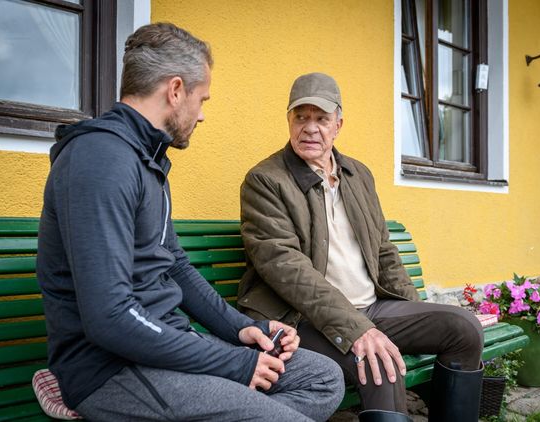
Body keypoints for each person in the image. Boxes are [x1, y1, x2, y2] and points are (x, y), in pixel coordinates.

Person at [36, 24, 344, 422]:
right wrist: (234, 364)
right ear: (176, 90)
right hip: (112, 368)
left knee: (323, 378)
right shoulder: (100, 161)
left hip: (166, 346)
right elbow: (110, 318)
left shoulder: (146, 159)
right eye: (201, 100)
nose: (201, 115)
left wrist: (239, 329)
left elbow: (175, 265)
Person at [238, 72, 485, 422]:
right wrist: (357, 330)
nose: (310, 128)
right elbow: (286, 268)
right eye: (301, 117)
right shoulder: (265, 180)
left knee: (464, 328)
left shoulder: (358, 174)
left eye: (321, 118)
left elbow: (383, 251)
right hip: (300, 319)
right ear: (289, 121)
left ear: (338, 125)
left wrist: (416, 310)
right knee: (379, 362)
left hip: (372, 307)